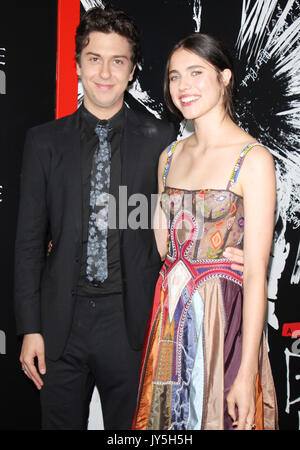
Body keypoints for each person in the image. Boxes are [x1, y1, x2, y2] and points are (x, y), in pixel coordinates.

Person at [14, 6, 244, 430]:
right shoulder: (42, 142)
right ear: (78, 64)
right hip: (59, 325)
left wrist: (230, 247)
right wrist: (29, 328)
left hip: (135, 325)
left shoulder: (163, 139)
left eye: (118, 60)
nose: (105, 71)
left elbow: (187, 210)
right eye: (94, 58)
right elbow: (28, 243)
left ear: (132, 69)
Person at [132, 33, 278, 430]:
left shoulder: (254, 159)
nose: (183, 86)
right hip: (170, 314)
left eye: (196, 72)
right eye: (175, 76)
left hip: (223, 318)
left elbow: (254, 273)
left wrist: (246, 372)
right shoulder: (170, 157)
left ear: (224, 77)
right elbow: (166, 249)